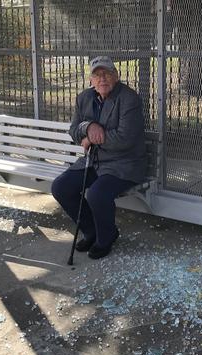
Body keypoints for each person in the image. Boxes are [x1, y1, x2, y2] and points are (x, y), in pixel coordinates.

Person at [51, 56, 147, 259]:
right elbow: (74, 130)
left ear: (116, 76)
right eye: (97, 75)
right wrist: (88, 127)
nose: (102, 79)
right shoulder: (84, 98)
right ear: (91, 80)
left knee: (96, 194)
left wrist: (91, 139)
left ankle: (106, 237)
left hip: (124, 164)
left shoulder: (129, 99)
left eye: (107, 74)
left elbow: (125, 139)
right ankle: (91, 230)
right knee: (60, 187)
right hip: (93, 161)